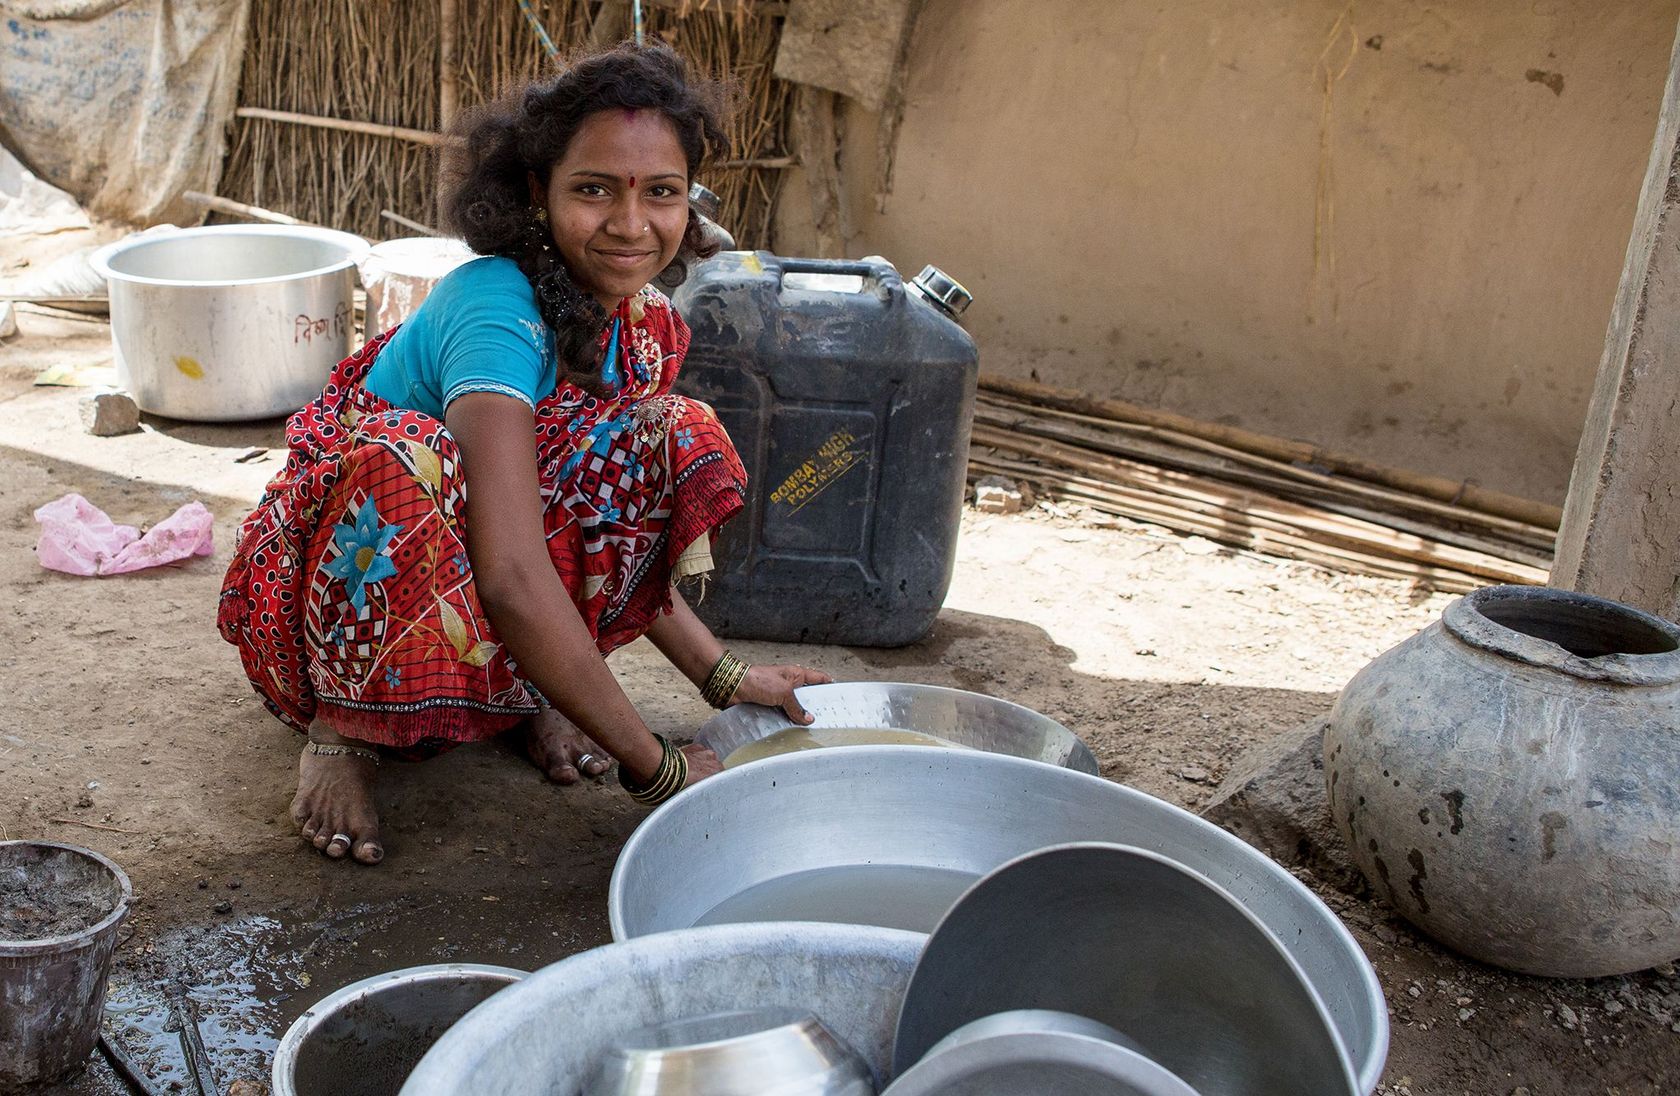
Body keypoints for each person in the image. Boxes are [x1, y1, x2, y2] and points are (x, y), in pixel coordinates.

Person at [217, 42, 829, 866]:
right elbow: (509, 568)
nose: (630, 224)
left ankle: (526, 689)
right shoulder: (497, 310)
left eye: (662, 193)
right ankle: (343, 730)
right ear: (539, 193)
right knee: (409, 461)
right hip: (335, 591)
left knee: (663, 433)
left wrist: (727, 679)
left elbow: (602, 520)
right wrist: (656, 766)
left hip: (474, 567)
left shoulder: (633, 322)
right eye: (594, 189)